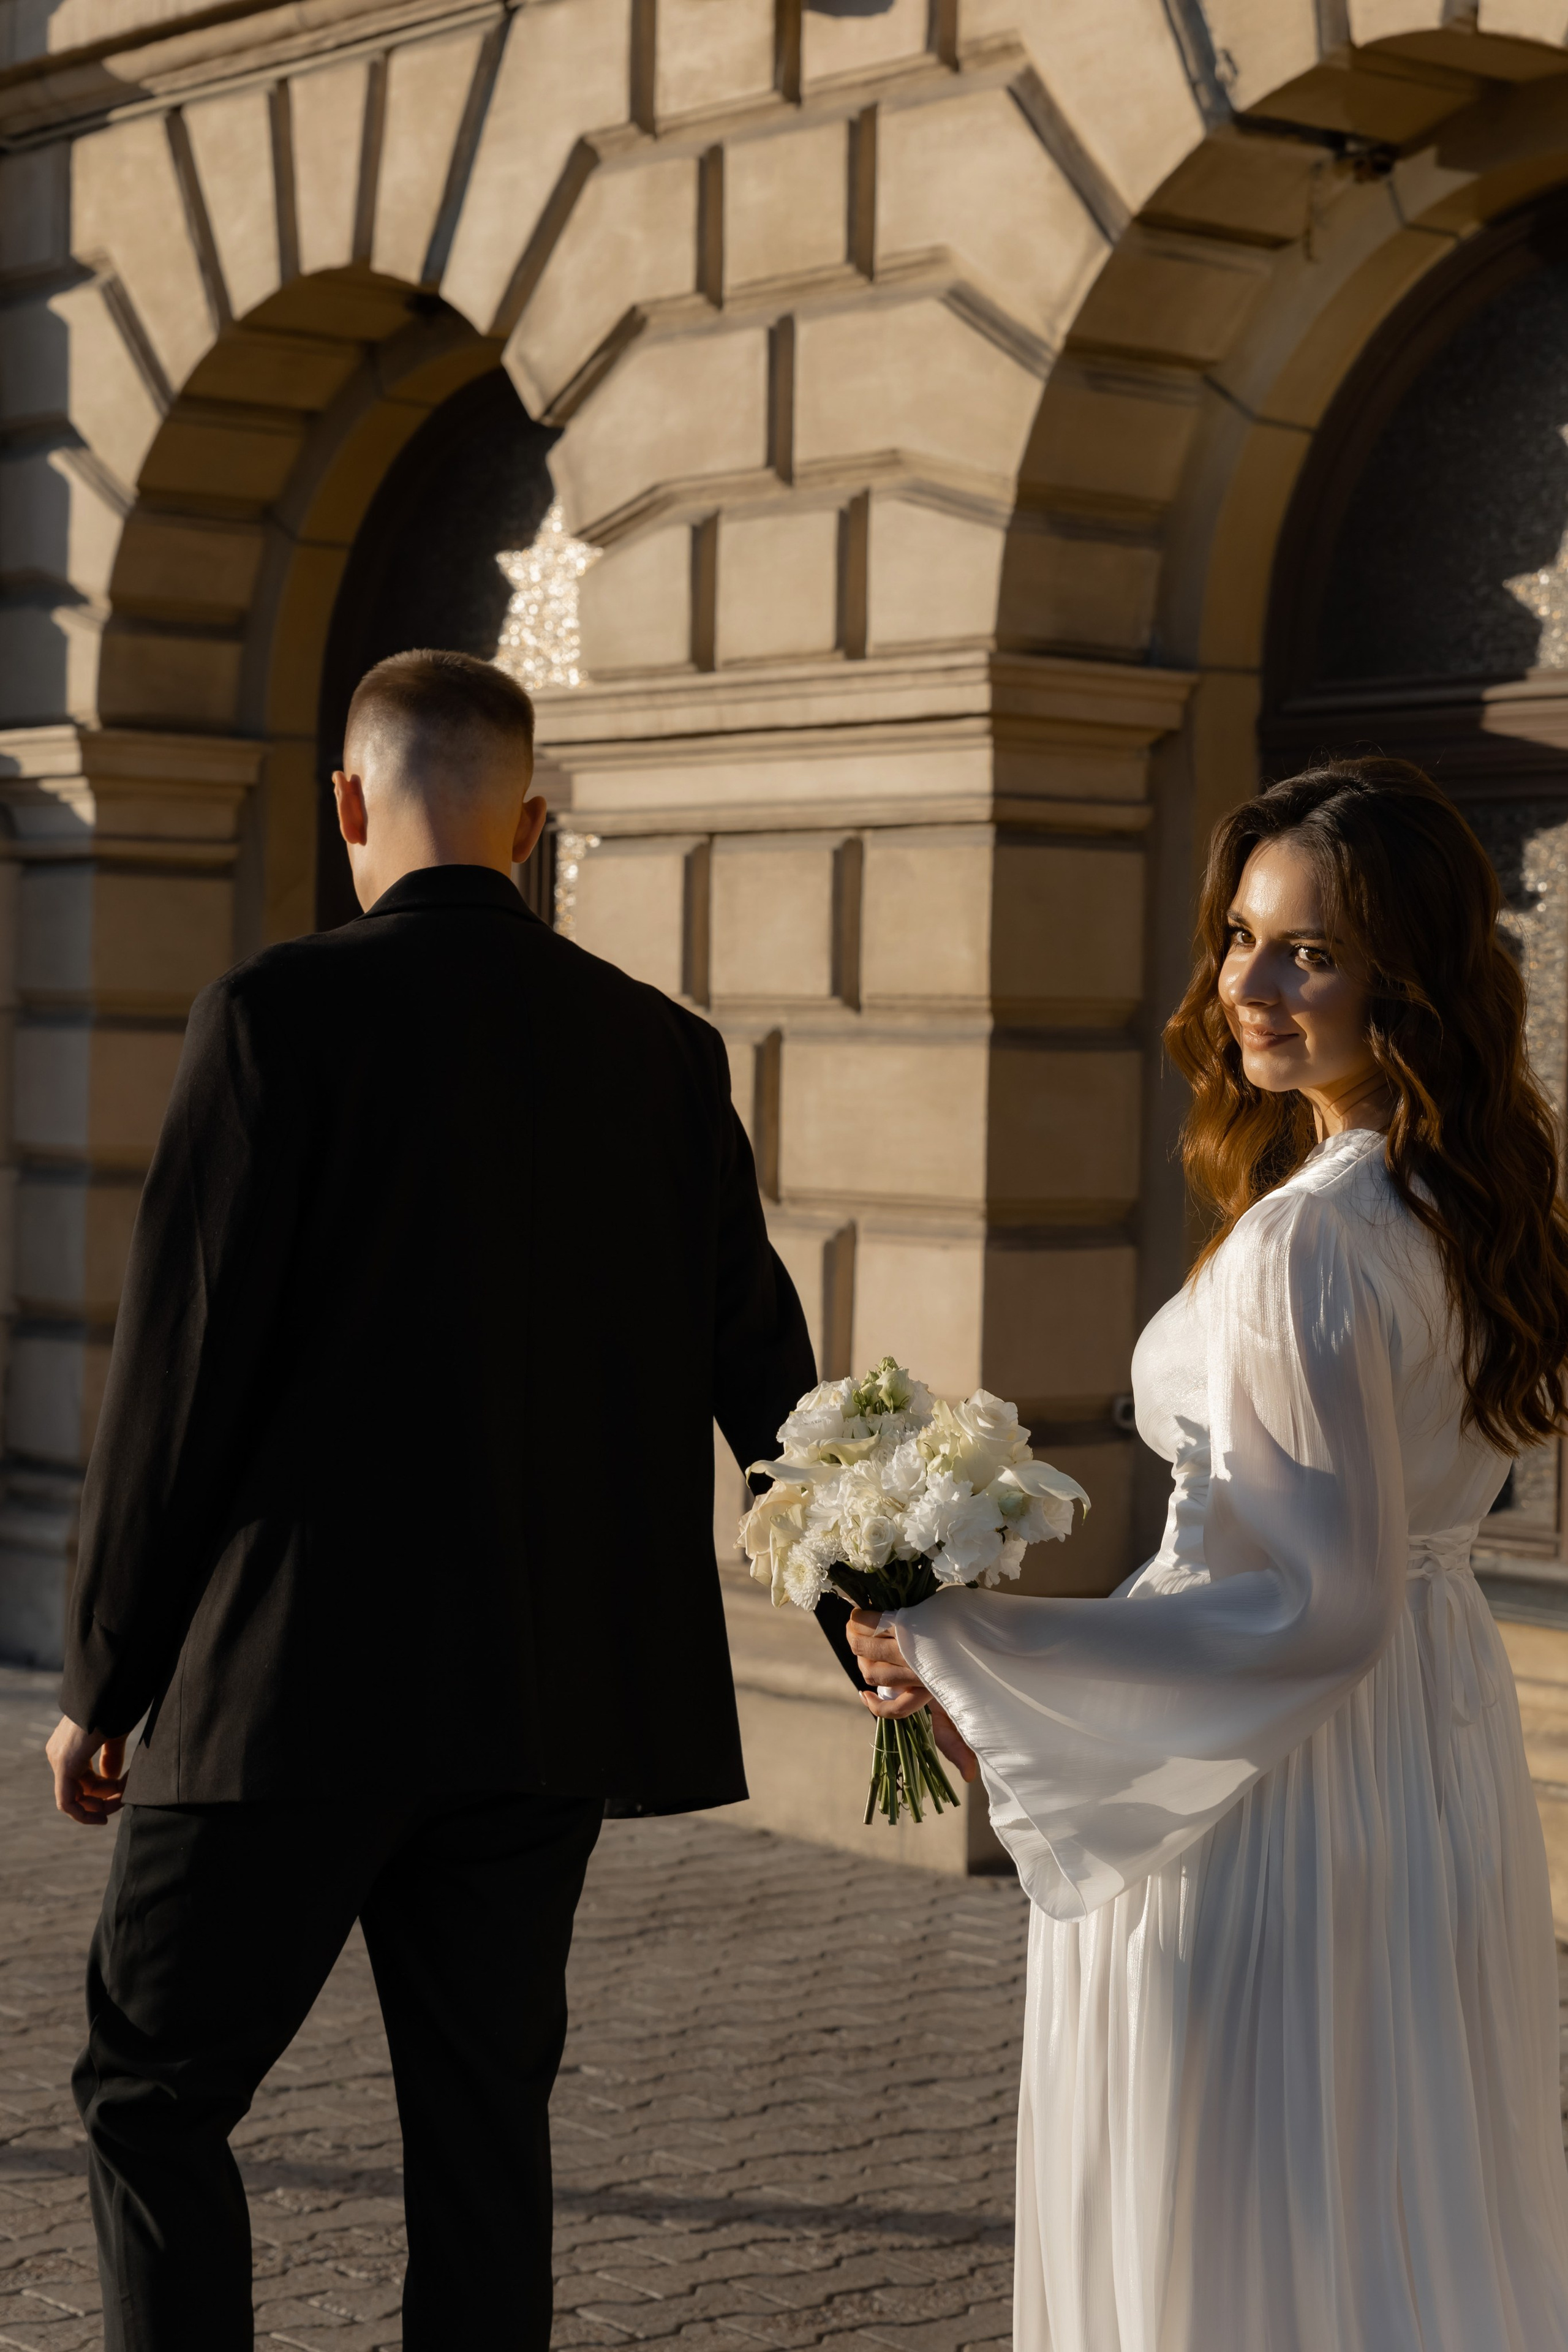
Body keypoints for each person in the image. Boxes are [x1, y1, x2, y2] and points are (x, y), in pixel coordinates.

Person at [43, 648, 830, 2351]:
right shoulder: (662, 1054)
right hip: (540, 1706)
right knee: (484, 2133)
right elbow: (769, 1376)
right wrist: (878, 1615)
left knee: (154, 2092)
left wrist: (106, 1674)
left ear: (347, 807)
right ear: (534, 824)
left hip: (286, 1697)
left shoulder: (271, 1020)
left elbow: (177, 1380)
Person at [850, 759, 1568, 2351]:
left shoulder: (1314, 1242)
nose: (1248, 983)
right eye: (1244, 937)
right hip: (1430, 1758)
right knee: (1388, 2197)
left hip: (1272, 1799)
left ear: (1410, 974)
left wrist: (965, 1644)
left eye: (1307, 949)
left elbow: (1311, 1602)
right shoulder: (1466, 1203)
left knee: (1242, 2211)